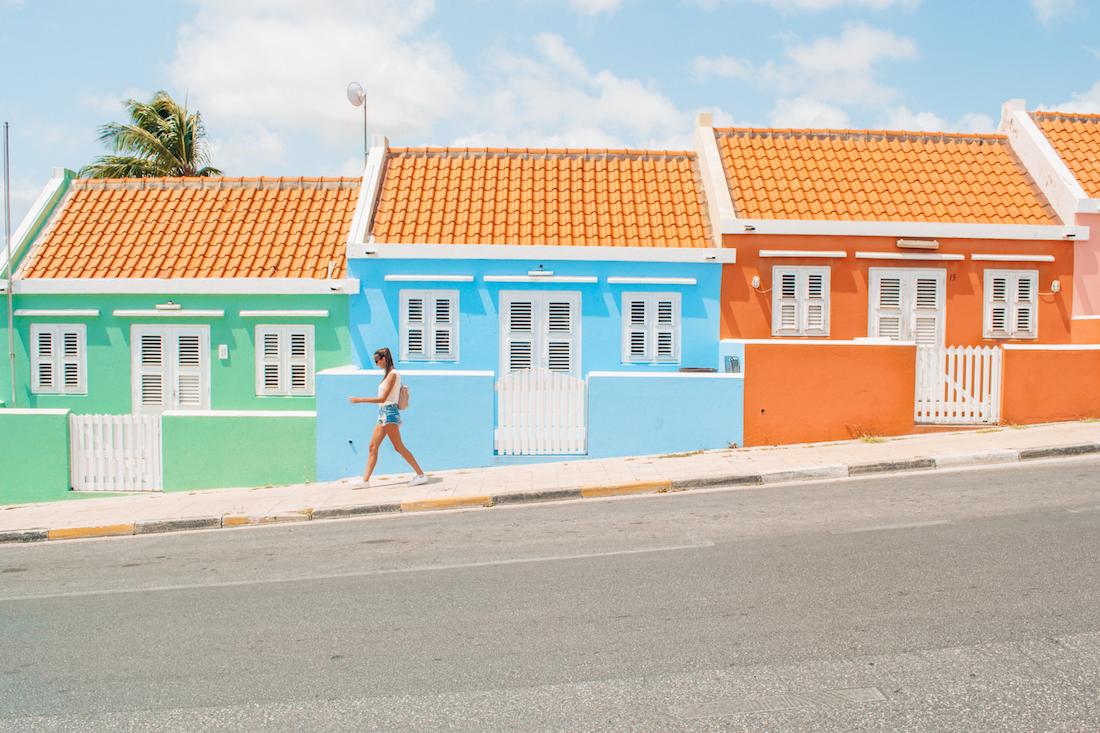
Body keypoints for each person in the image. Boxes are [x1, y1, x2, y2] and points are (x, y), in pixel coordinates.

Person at [348, 347, 428, 487]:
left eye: (376, 360)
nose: (376, 363)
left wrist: (360, 400)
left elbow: (383, 398)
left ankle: (421, 475)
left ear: (383, 359)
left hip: (389, 413)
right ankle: (365, 481)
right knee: (373, 447)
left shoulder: (393, 375)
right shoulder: (387, 375)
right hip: (383, 414)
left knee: (398, 447)